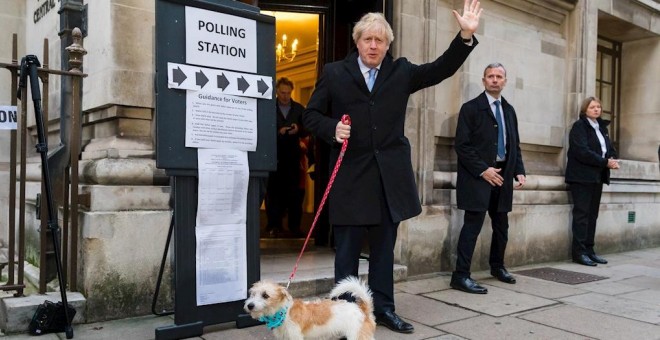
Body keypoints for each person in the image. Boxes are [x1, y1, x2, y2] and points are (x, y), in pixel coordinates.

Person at [303, 0, 482, 333]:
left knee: (384, 251)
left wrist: (464, 36)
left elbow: (441, 68)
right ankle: (344, 318)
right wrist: (332, 129)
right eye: (368, 39)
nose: (374, 45)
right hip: (350, 179)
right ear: (357, 41)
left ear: (388, 45)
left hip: (388, 180)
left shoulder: (401, 71)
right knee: (347, 255)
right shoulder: (334, 73)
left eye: (380, 40)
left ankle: (384, 309)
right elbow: (310, 115)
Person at [452, 62, 526, 294]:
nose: (495, 79)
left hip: (503, 176)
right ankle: (460, 276)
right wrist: (484, 170)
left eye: (499, 76)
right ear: (484, 80)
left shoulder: (510, 110)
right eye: (490, 76)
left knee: (501, 226)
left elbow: (515, 144)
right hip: (479, 177)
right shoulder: (471, 108)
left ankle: (498, 267)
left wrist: (519, 169)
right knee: (472, 227)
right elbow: (462, 146)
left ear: (505, 81)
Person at [565, 96, 619, 266]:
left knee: (592, 215)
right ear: (585, 110)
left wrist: (612, 157)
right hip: (581, 177)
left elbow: (608, 149)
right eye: (592, 107)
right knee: (582, 215)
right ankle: (579, 253)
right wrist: (605, 162)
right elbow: (581, 151)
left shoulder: (601, 128)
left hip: (597, 177)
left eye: (598, 107)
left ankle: (590, 250)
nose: (596, 109)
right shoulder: (579, 126)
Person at [265, 77, 306, 237]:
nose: (285, 96)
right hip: (274, 156)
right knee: (273, 194)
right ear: (277, 91)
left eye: (288, 93)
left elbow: (308, 129)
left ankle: (295, 227)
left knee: (295, 195)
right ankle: (273, 225)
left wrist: (299, 129)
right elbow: (263, 128)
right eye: (282, 93)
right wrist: (278, 132)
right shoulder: (269, 107)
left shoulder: (298, 109)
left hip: (292, 158)